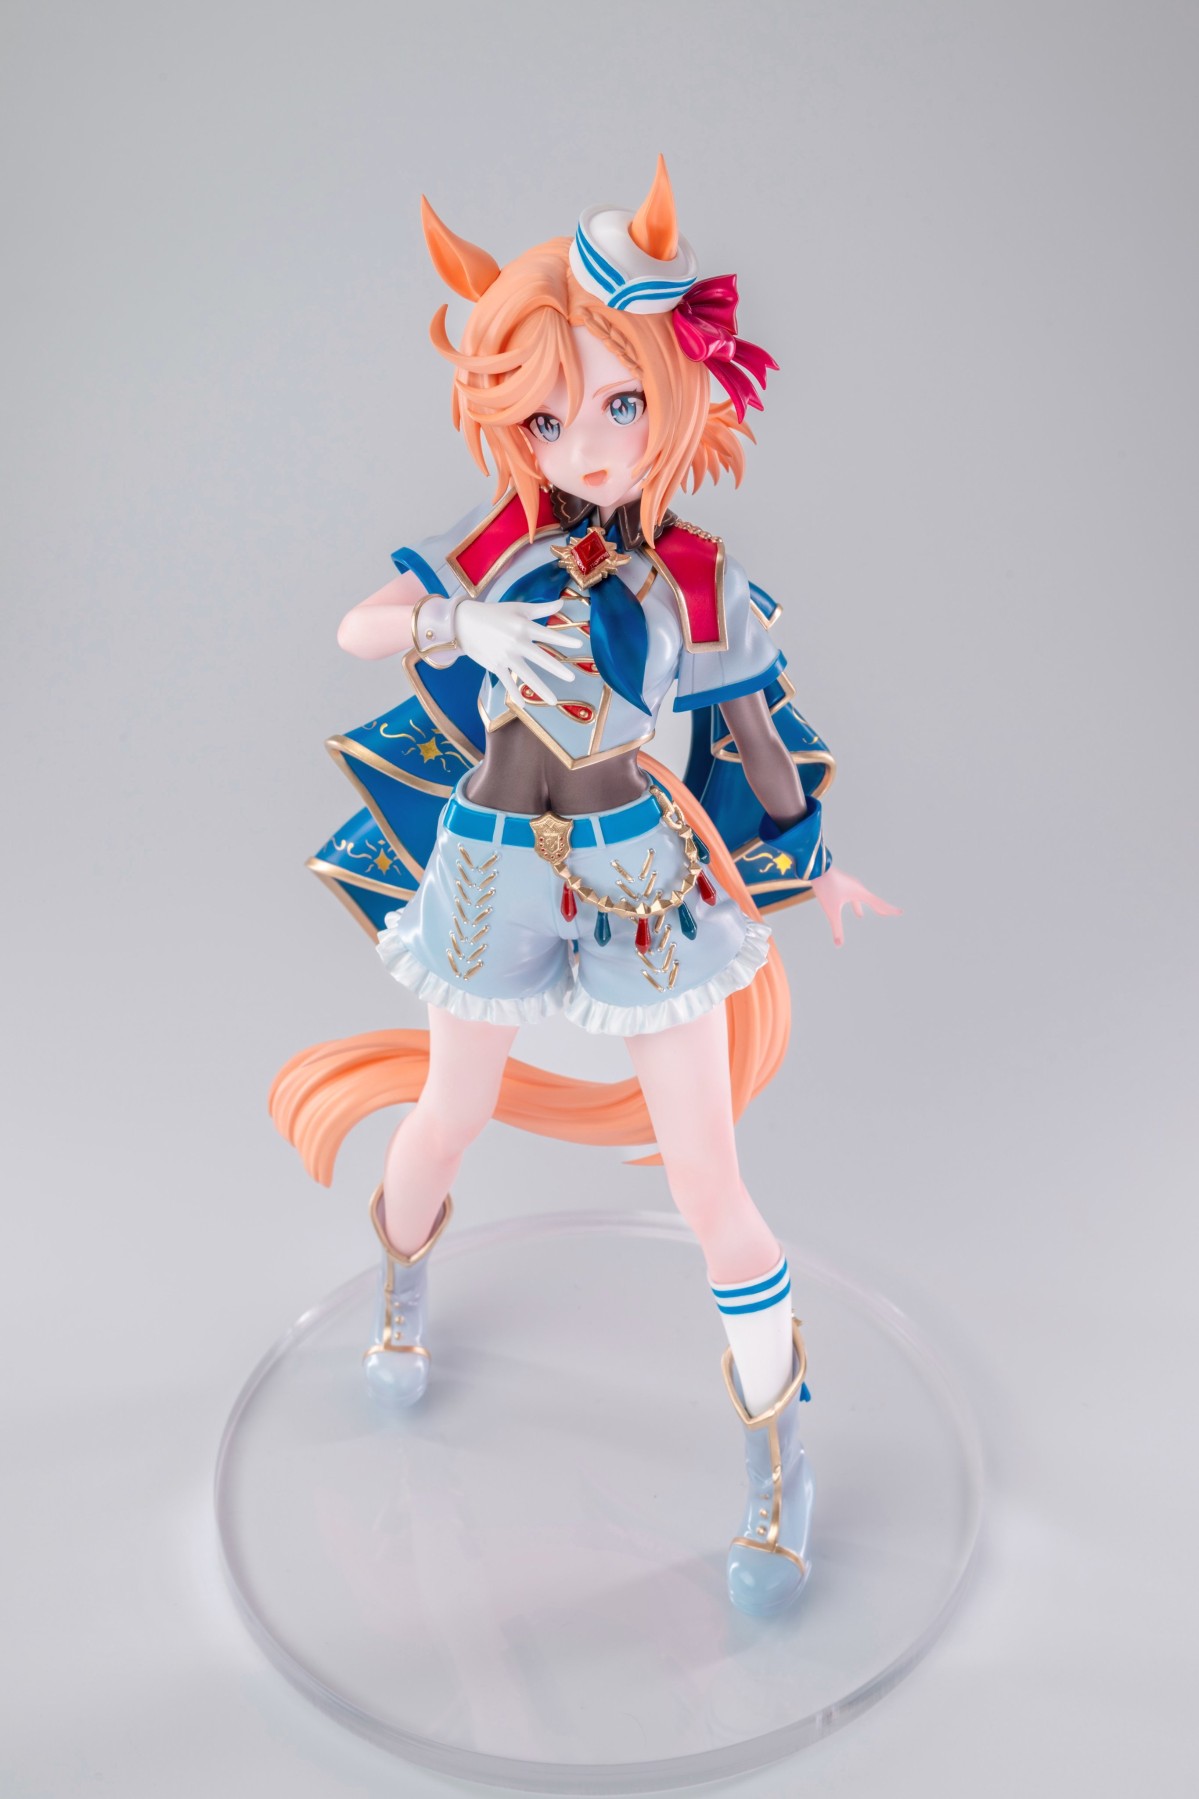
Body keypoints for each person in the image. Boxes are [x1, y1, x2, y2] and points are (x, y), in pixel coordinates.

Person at [270, 158, 896, 1617]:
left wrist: (811, 863)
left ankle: (778, 1472)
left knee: (708, 1181)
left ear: (674, 391)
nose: (590, 444)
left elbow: (758, 747)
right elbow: (359, 626)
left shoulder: (701, 580)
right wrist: (460, 622)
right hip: (492, 862)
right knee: (450, 1110)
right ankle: (401, 1301)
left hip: (637, 875)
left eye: (620, 405)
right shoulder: (505, 538)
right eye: (550, 418)